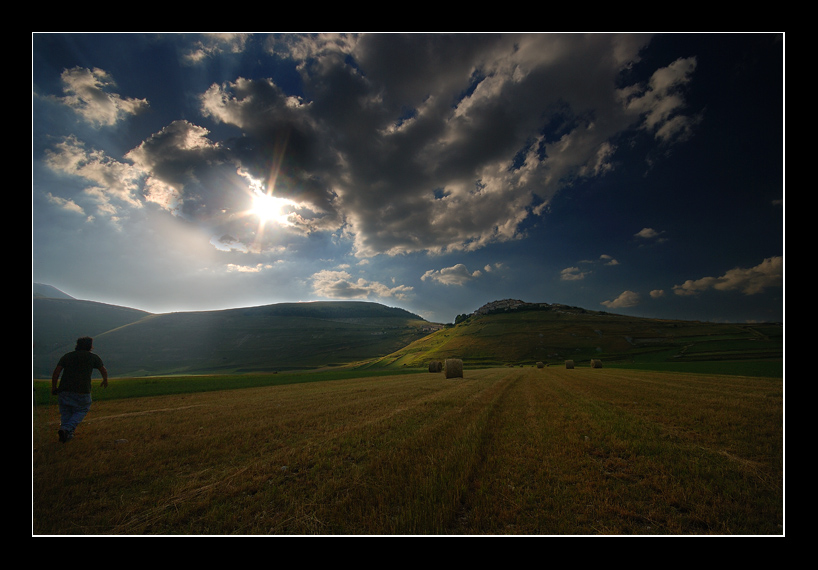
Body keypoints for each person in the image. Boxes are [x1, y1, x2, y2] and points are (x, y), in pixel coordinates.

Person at [51, 336, 108, 443]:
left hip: (64, 390)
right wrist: (105, 380)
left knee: (66, 412)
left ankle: (66, 433)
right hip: (82, 390)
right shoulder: (93, 357)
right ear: (90, 346)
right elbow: (103, 370)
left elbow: (56, 372)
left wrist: (54, 387)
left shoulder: (67, 356)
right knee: (82, 410)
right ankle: (67, 429)